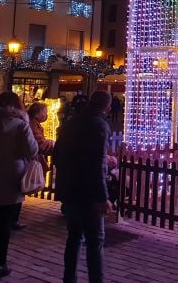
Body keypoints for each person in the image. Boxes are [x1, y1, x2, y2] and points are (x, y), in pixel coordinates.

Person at [0, 91, 38, 280]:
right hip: (10, 178)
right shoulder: (20, 124)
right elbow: (32, 149)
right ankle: (0, 263)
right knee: (3, 224)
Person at [54, 90, 112, 283]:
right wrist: (103, 198)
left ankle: (68, 278)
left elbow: (57, 156)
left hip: (69, 188)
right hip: (88, 193)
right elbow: (97, 165)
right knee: (95, 241)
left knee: (74, 237)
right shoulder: (99, 125)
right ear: (107, 106)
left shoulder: (71, 123)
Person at [11, 102, 55, 229]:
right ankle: (12, 220)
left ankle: (12, 219)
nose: (46, 115)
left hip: (22, 161)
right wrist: (52, 145)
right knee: (18, 190)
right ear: (39, 113)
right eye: (44, 112)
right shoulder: (31, 125)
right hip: (25, 161)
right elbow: (38, 144)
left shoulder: (31, 123)